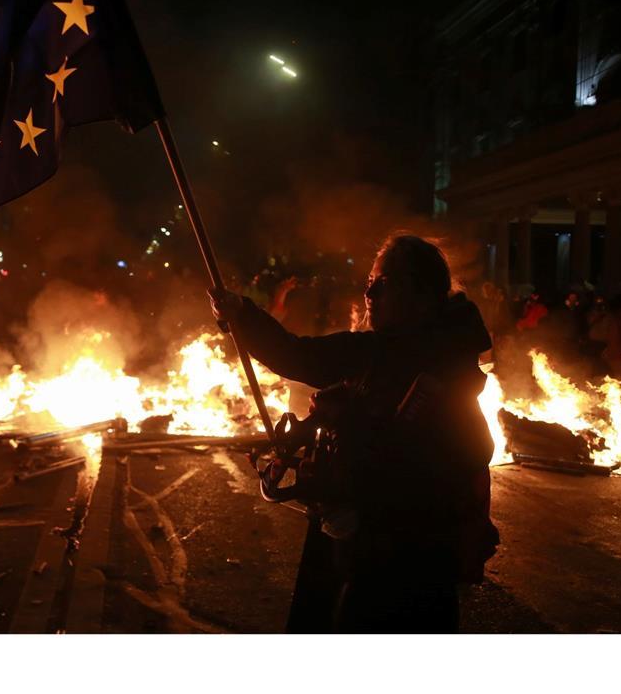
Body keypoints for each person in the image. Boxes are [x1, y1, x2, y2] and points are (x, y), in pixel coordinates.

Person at [210, 234, 498, 633]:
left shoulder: (437, 367)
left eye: (382, 283)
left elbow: (460, 457)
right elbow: (297, 355)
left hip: (401, 557)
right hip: (361, 546)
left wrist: (357, 445)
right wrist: (242, 315)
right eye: (369, 282)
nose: (369, 293)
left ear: (420, 294)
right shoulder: (382, 350)